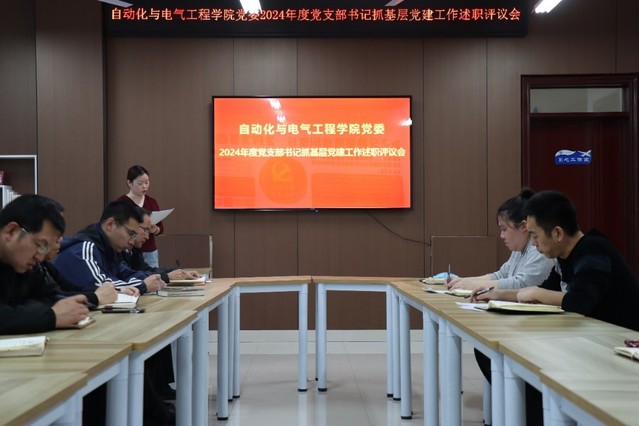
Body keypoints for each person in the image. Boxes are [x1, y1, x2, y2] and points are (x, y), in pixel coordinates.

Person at [472, 190, 639, 425]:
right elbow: (543, 290)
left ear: (558, 233)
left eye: (535, 236)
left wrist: (537, 294)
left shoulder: (594, 250)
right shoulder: (563, 257)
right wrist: (498, 294)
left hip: (616, 347)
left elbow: (580, 301)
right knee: (493, 351)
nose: (533, 243)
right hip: (587, 339)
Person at [0, 194, 90, 334]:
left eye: (46, 248)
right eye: (40, 245)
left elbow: (53, 298)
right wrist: (50, 317)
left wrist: (20, 313)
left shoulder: (28, 265)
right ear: (11, 231)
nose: (41, 257)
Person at [447, 188, 554, 292]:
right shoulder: (519, 248)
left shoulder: (540, 249)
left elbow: (523, 284)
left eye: (504, 229)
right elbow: (501, 275)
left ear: (523, 226)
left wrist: (475, 285)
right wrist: (463, 282)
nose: (502, 235)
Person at [53, 200, 166, 294]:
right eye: (131, 234)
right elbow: (100, 286)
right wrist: (143, 286)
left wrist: (157, 279)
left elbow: (125, 274)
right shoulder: (84, 248)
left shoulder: (111, 248)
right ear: (110, 225)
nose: (132, 241)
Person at [122, 209, 201, 283]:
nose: (147, 237)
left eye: (149, 231)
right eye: (145, 230)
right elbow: (128, 276)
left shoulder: (134, 249)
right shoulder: (118, 250)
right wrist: (167, 276)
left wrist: (180, 273)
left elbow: (145, 270)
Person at [117, 165, 164, 268]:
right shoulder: (121, 202)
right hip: (128, 250)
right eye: (140, 183)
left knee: (154, 275)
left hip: (150, 250)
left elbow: (161, 228)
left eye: (147, 182)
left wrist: (155, 229)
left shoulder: (152, 202)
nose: (144, 186)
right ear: (129, 183)